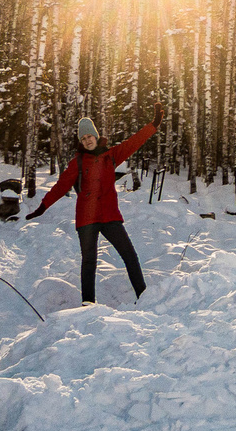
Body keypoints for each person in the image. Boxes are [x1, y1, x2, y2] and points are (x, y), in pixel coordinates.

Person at [27, 104, 161, 305]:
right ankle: (88, 304)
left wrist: (154, 125)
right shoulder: (77, 162)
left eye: (89, 136)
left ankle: (144, 298)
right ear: (81, 141)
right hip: (87, 219)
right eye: (83, 138)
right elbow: (61, 186)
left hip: (110, 217)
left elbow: (135, 142)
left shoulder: (111, 155)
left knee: (130, 256)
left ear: (96, 136)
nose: (87, 140)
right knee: (89, 262)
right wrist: (43, 206)